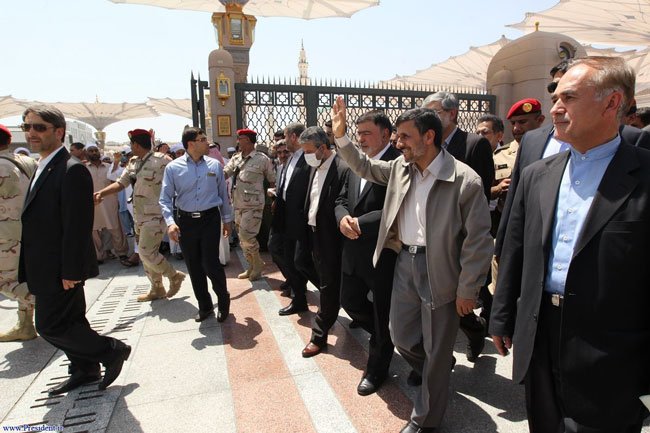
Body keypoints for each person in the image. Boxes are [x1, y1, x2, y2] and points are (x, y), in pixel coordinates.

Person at [490, 56, 650, 433]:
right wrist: (501, 315)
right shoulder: (537, 175)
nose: (555, 109)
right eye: (555, 99)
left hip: (612, 351)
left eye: (569, 98)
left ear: (612, 103)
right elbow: (516, 248)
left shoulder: (644, 172)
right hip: (540, 334)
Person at [332, 97, 492, 433]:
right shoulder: (400, 169)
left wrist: (468, 289)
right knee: (401, 336)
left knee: (435, 347)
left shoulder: (465, 180)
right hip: (404, 261)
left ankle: (425, 420)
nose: (397, 142)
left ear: (429, 136)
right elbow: (363, 166)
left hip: (441, 270)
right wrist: (342, 137)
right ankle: (438, 365)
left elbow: (478, 241)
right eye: (397, 136)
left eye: (405, 136)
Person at [19, 105, 131, 394]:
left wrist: (71, 269)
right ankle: (85, 368)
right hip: (45, 263)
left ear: (59, 132)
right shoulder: (43, 165)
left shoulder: (71, 170)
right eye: (27, 127)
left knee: (49, 325)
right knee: (71, 321)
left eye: (39, 127)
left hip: (59, 267)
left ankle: (111, 350)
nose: (31, 133)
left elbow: (77, 225)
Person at [423, 91, 494, 362]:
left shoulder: (474, 144)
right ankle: (439, 357)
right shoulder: (428, 143)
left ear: (452, 114)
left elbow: (481, 194)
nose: (428, 118)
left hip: (460, 237)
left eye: (435, 112)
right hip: (430, 236)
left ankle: (474, 330)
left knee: (457, 301)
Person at [334, 110, 401, 395]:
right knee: (349, 301)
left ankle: (377, 369)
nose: (360, 139)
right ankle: (388, 338)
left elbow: (397, 209)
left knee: (381, 311)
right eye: (358, 133)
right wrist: (342, 218)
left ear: (385, 134)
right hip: (353, 251)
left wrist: (361, 223)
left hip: (382, 253)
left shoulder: (398, 164)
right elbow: (341, 198)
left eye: (366, 133)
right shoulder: (354, 163)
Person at [94, 129, 186, 302]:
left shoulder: (163, 160)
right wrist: (101, 193)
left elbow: (180, 180)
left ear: (136, 144)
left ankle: (174, 276)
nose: (131, 147)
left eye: (131, 144)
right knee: (147, 255)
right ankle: (157, 288)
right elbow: (121, 183)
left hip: (156, 215)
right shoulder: (133, 162)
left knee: (145, 252)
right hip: (139, 216)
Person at [160, 127, 233, 323]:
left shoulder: (214, 165)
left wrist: (227, 220)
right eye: (202, 139)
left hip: (210, 219)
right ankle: (205, 306)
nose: (207, 143)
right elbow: (165, 199)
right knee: (193, 265)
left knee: (211, 263)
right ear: (191, 144)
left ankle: (223, 300)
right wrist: (170, 223)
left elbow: (223, 195)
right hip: (185, 222)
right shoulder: (173, 168)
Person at [298, 127, 349, 358]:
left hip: (332, 237)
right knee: (306, 266)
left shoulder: (342, 168)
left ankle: (318, 335)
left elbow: (343, 203)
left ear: (323, 148)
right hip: (312, 232)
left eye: (309, 151)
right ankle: (335, 303)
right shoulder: (314, 166)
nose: (306, 155)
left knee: (328, 286)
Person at [273, 122, 320, 316]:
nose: (284, 141)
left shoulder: (309, 159)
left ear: (293, 136)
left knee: (301, 261)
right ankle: (299, 298)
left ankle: (330, 291)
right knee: (280, 252)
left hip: (301, 220)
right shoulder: (290, 158)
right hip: (285, 216)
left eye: (286, 136)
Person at [0, 123, 38, 341]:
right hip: (30, 231)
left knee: (6, 282)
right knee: (23, 277)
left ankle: (54, 305)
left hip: (6, 236)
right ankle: (25, 325)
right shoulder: (26, 162)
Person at [223, 128, 275, 281]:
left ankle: (257, 263)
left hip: (254, 205)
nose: (238, 141)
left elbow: (272, 180)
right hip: (238, 204)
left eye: (240, 139)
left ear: (248, 140)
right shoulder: (236, 158)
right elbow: (225, 173)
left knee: (247, 235)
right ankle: (252, 265)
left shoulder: (262, 159)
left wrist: (272, 200)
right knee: (242, 238)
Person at [85, 144, 129, 265]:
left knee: (115, 228)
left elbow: (116, 180)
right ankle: (99, 256)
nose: (94, 153)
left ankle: (122, 253)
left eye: (95, 150)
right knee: (94, 230)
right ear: (86, 153)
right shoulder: (83, 168)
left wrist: (115, 163)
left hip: (109, 202)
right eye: (91, 151)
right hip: (92, 203)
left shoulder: (109, 167)